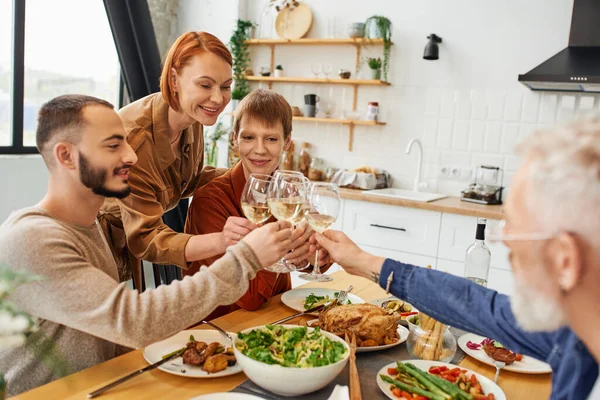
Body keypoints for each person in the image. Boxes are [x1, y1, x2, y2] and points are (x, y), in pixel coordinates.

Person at [0, 95, 293, 396]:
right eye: (113, 145)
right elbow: (135, 320)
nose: (133, 156)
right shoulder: (34, 240)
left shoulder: (90, 228)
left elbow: (110, 338)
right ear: (66, 156)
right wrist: (245, 258)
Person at [314, 119, 600, 399]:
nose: (507, 246)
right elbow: (477, 305)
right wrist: (365, 262)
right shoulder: (574, 335)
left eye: (513, 228)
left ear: (564, 261)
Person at [99, 31, 247, 287]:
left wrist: (253, 176)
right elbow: (146, 238)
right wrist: (223, 240)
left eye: (225, 86)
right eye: (205, 85)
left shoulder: (192, 117)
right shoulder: (133, 142)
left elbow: (184, 181)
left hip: (130, 249)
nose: (218, 98)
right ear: (174, 79)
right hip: (96, 250)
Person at [184, 89, 323, 319]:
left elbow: (314, 261)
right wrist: (281, 242)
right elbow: (249, 297)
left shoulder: (289, 194)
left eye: (271, 138)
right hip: (218, 331)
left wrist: (311, 251)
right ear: (235, 139)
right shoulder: (210, 201)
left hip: (275, 320)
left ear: (286, 142)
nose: (259, 149)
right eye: (249, 138)